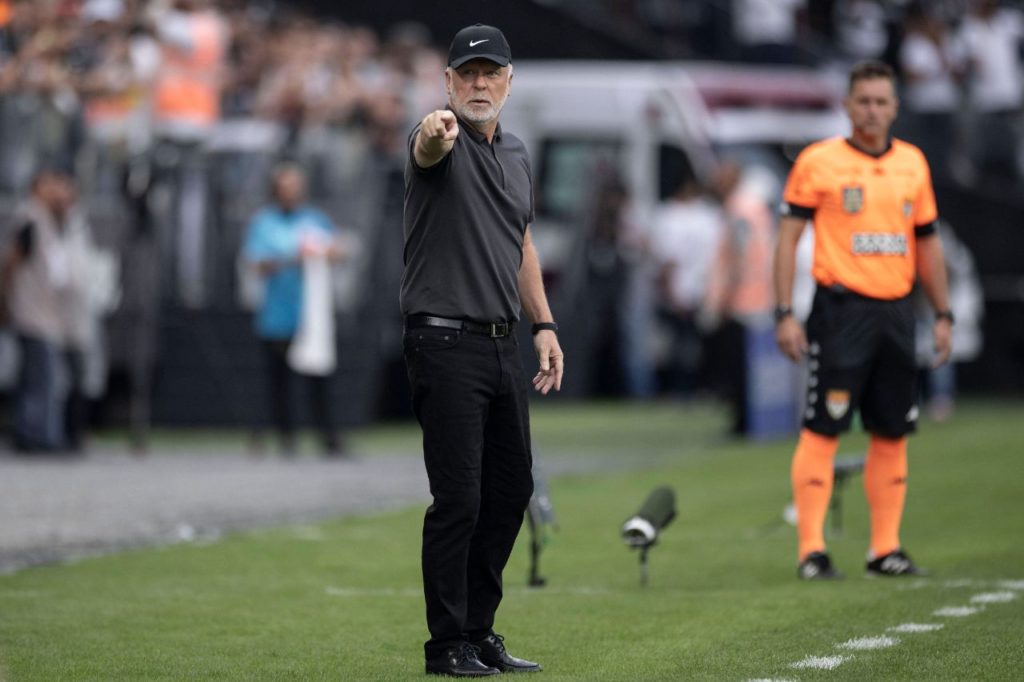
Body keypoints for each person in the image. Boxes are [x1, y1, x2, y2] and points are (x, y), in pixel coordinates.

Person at [401, 24, 561, 677]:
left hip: (500, 343)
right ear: (447, 81)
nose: (477, 83)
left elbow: (519, 243)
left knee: (509, 490)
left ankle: (478, 629)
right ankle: (446, 645)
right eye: (466, 73)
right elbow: (426, 147)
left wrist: (544, 325)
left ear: (508, 80)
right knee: (459, 499)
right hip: (442, 339)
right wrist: (434, 133)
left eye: (489, 73)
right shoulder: (438, 135)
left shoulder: (517, 152)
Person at [773, 61, 953, 580]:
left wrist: (943, 314)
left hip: (897, 312)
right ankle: (812, 550)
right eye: (864, 101)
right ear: (848, 106)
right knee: (822, 428)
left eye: (882, 101)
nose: (872, 110)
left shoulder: (913, 165)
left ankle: (884, 550)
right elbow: (787, 239)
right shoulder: (818, 162)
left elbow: (928, 244)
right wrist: (785, 313)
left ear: (895, 107)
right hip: (840, 311)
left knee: (892, 431)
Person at [242, 163, 346, 457]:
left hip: (310, 317)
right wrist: (293, 258)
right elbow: (257, 264)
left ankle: (328, 436)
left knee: (319, 378)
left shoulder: (314, 219)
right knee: (278, 381)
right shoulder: (264, 223)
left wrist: (328, 252)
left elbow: (338, 249)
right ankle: (285, 437)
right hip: (277, 317)